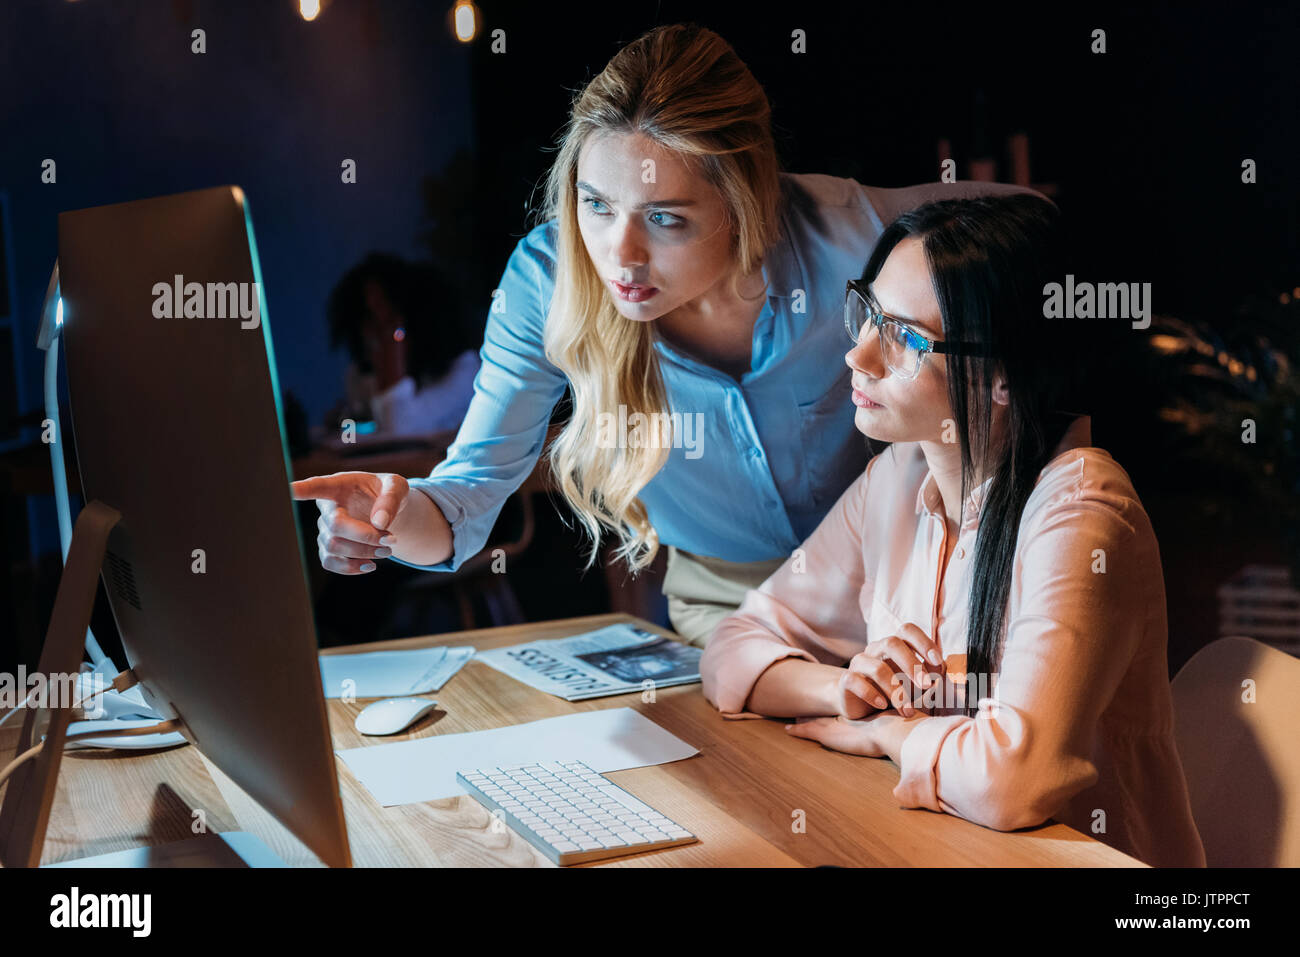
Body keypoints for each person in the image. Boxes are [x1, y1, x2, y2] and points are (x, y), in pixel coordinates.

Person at [292, 22, 1034, 645]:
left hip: (903, 584)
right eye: (596, 204)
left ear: (747, 199)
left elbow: (1033, 222)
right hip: (724, 609)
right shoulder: (548, 283)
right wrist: (392, 518)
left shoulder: (855, 240)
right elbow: (466, 500)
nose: (620, 255)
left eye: (666, 218)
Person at [699, 194, 1206, 867]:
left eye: (903, 338)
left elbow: (1011, 780)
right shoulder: (900, 475)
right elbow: (732, 645)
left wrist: (891, 735)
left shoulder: (1081, 511)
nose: (858, 355)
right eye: (867, 314)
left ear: (1003, 374)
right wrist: (847, 689)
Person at [326, 252, 479, 436]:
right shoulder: (359, 375)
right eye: (368, 317)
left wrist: (393, 352)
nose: (375, 332)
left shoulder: (464, 370)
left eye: (389, 320)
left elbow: (400, 429)